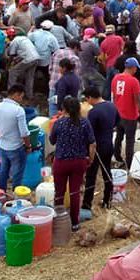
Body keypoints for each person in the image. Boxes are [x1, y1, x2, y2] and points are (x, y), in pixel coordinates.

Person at [50, 96, 95, 231]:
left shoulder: (59, 123)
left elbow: (52, 141)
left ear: (64, 109)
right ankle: (74, 223)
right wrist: (90, 159)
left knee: (59, 192)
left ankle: (58, 221)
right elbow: (92, 143)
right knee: (75, 193)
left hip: (61, 162)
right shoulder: (84, 123)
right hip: (78, 161)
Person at [82, 87, 118, 212]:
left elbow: (89, 133)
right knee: (107, 173)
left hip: (97, 146)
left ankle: (86, 204)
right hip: (108, 143)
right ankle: (107, 200)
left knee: (91, 175)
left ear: (90, 97)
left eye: (87, 100)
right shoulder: (111, 106)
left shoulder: (94, 112)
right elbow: (117, 122)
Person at [0, 85, 31, 192]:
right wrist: (28, 146)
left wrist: (1, 139)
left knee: (3, 170)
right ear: (15, 95)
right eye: (21, 97)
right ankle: (16, 195)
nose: (21, 99)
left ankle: (1, 193)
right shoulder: (18, 110)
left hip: (3, 146)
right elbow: (24, 133)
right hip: (16, 147)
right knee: (17, 173)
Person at [111, 57, 140, 169]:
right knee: (130, 140)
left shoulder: (115, 78)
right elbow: (137, 99)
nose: (136, 70)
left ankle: (118, 158)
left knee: (118, 137)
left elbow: (114, 96)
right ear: (133, 67)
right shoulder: (134, 81)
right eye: (136, 68)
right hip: (130, 115)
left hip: (118, 113)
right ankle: (129, 164)